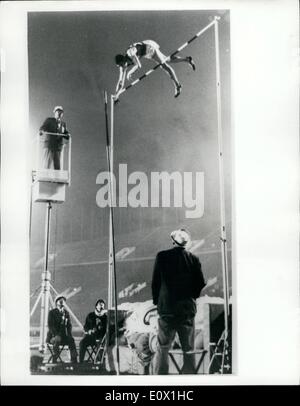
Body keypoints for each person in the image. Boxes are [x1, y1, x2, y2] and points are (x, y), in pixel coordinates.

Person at [151, 228, 206, 374]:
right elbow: (200, 283)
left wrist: (158, 302)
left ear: (172, 241)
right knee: (188, 349)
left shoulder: (161, 256)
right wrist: (191, 297)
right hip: (186, 311)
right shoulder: (194, 259)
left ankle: (161, 379)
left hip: (167, 311)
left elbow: (155, 283)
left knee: (163, 347)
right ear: (186, 244)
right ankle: (189, 378)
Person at [114, 40, 196, 101]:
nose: (122, 67)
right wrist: (116, 95)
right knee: (167, 60)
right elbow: (120, 82)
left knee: (164, 66)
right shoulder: (122, 66)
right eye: (120, 66)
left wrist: (130, 72)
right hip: (147, 53)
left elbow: (139, 65)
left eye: (122, 64)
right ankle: (187, 59)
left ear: (123, 60)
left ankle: (178, 86)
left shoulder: (130, 53)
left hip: (149, 47)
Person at [46, 295, 78, 363]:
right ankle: (55, 359)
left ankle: (74, 359)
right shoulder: (52, 312)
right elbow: (50, 325)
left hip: (63, 336)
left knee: (71, 340)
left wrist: (69, 334)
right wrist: (55, 334)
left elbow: (69, 325)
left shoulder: (66, 313)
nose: (62, 302)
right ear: (56, 302)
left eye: (63, 301)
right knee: (57, 339)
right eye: (60, 300)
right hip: (53, 337)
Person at [39, 106, 70, 170]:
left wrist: (67, 135)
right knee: (46, 164)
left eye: (61, 112)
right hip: (49, 145)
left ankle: (57, 179)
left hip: (58, 147)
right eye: (58, 111)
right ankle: (45, 176)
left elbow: (66, 134)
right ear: (55, 112)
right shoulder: (49, 120)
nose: (59, 113)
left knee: (57, 166)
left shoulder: (63, 124)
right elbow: (43, 127)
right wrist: (41, 131)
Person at [79, 299, 107, 363]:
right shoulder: (90, 315)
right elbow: (85, 327)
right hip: (90, 337)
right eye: (100, 304)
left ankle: (99, 361)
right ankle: (81, 361)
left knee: (100, 346)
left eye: (103, 305)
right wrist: (89, 331)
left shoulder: (105, 317)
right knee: (82, 343)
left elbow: (106, 330)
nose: (101, 306)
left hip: (100, 338)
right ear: (96, 306)